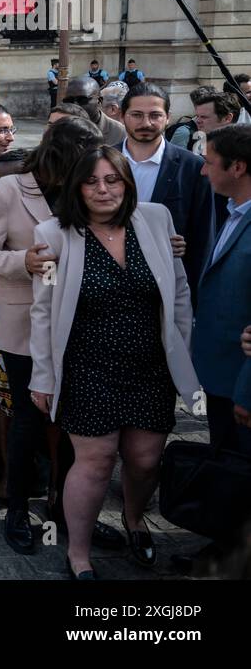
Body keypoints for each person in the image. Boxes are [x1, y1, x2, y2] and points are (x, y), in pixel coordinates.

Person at [29, 146, 201, 579]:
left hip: (151, 366)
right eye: (91, 181)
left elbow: (178, 292)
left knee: (145, 460)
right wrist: (43, 376)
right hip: (87, 366)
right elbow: (43, 310)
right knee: (96, 460)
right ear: (77, 187)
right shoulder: (52, 235)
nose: (103, 189)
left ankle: (134, 518)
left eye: (113, 180)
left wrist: (184, 352)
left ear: (127, 183)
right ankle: (80, 553)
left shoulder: (158, 219)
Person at [0, 117, 107, 554]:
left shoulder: (81, 190)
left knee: (70, 421)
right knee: (27, 421)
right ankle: (16, 511)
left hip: (77, 322)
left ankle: (64, 508)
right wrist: (19, 262)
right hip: (23, 322)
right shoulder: (7, 191)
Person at [184, 124, 251, 573]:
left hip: (242, 384)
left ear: (238, 167)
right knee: (228, 464)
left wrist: (247, 391)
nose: (203, 169)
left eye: (209, 161)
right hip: (221, 376)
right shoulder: (231, 211)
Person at [120, 83, 215, 295]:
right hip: (109, 285)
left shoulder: (193, 167)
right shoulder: (99, 162)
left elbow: (203, 237)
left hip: (169, 288)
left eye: (155, 115)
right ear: (122, 116)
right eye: (136, 115)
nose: (146, 123)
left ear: (168, 117)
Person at [62, 76, 127, 146]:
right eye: (69, 101)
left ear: (99, 101)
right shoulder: (60, 130)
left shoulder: (120, 133)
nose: (75, 105)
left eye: (82, 100)